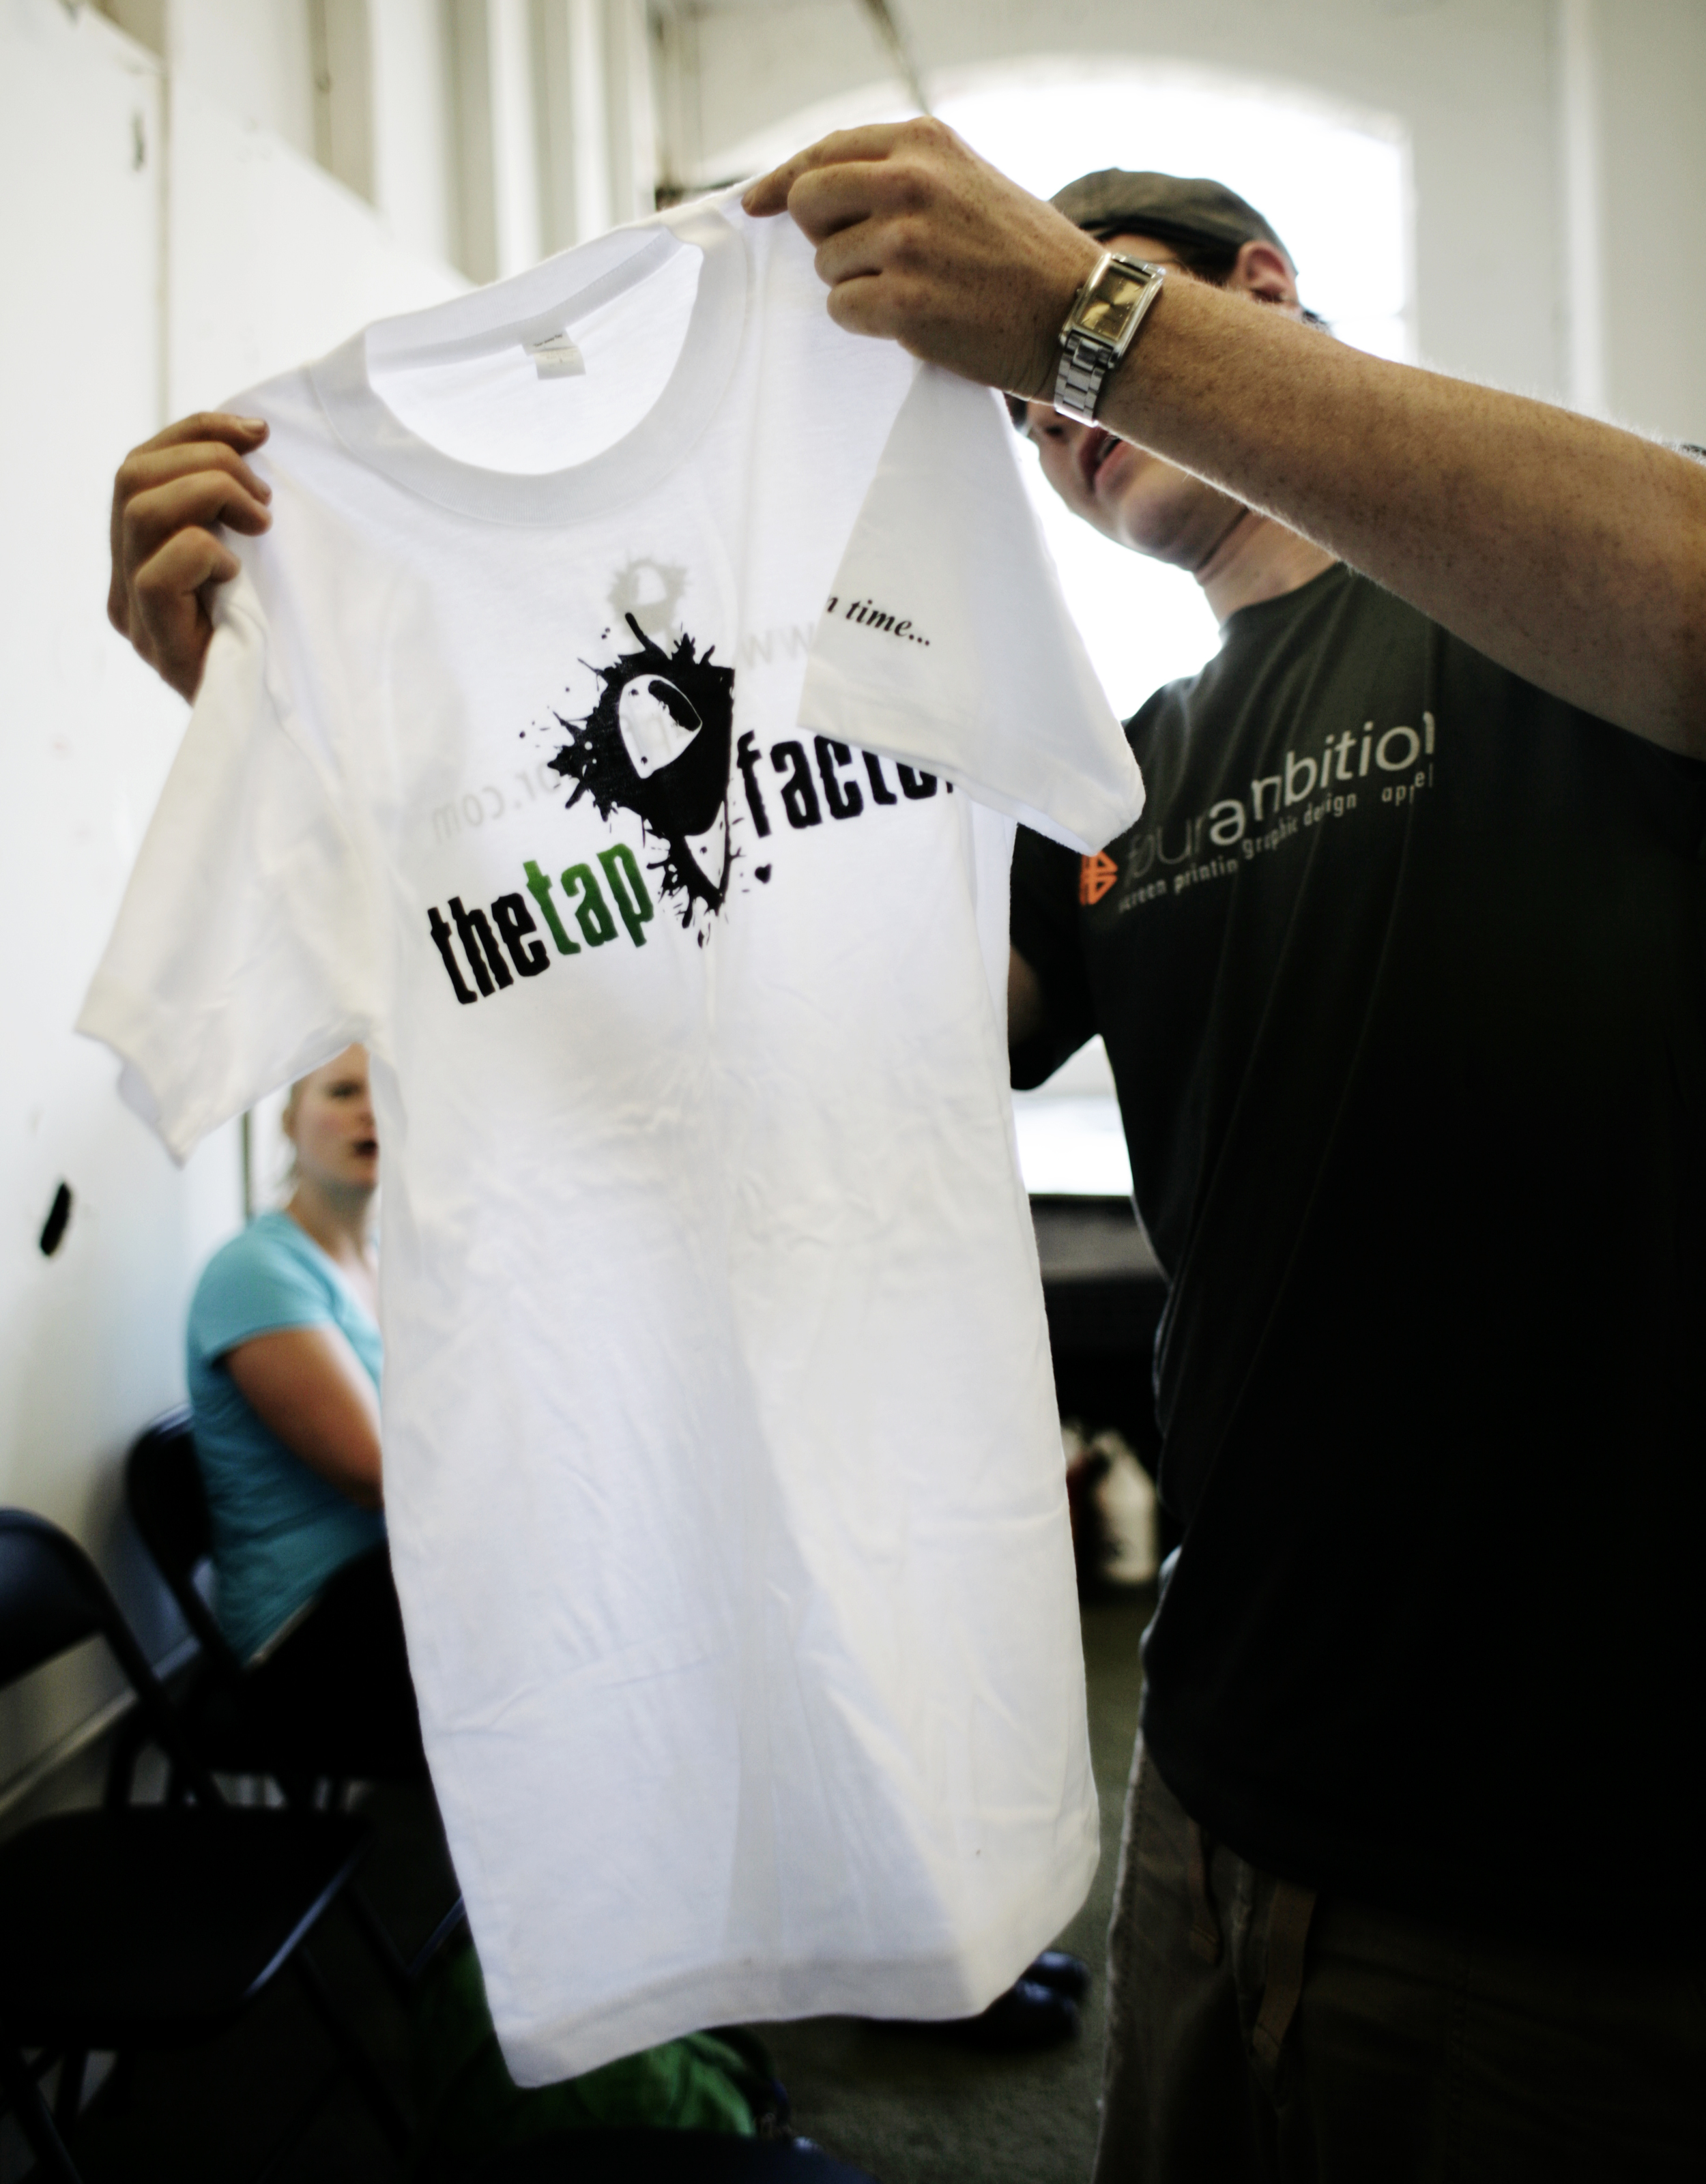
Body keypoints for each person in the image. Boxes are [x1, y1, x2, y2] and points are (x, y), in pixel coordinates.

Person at [104, 123, 1706, 2172]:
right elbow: (742, 1066)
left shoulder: (1552, 584)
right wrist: (350, 774)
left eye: (1080, 337)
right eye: (1023, 409)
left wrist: (1077, 314)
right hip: (1222, 1766)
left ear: (1261, 290)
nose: (1049, 416)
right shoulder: (1132, 768)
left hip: (1586, 1828)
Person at [188, 1041, 424, 1777]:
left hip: (383, 1583)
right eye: (343, 1091)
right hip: (300, 1631)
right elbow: (379, 1475)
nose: (370, 1111)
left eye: (386, 1090)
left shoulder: (389, 1260)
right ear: (289, 1119)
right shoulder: (255, 1270)